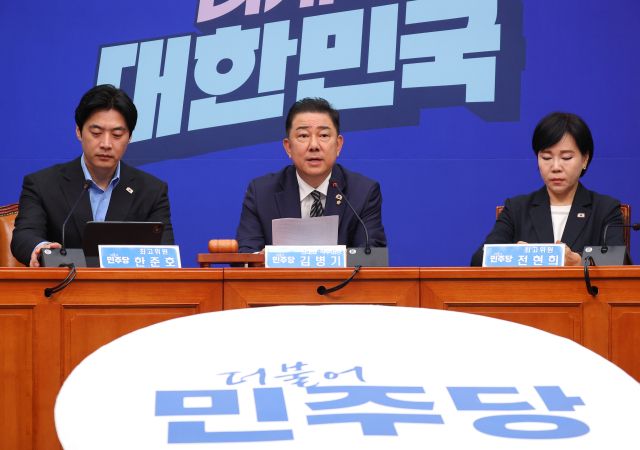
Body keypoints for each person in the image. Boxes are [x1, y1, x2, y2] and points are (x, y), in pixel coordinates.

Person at [11, 84, 174, 267]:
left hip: (125, 285)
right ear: (79, 132)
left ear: (129, 137)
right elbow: (24, 235)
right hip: (63, 283)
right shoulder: (42, 184)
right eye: (96, 133)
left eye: (117, 135)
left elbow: (164, 253)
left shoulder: (151, 191)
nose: (106, 144)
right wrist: (41, 248)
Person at [471, 112, 624, 267]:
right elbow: (479, 260)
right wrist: (515, 255)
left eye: (566, 158)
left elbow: (619, 260)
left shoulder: (605, 209)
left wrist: (579, 261)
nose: (556, 167)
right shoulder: (516, 209)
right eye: (546, 157)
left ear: (585, 159)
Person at [236, 97, 387, 252]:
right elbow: (246, 254)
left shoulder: (362, 193)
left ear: (338, 145)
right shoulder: (261, 193)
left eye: (323, 135)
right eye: (303, 136)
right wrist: (266, 258)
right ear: (288, 147)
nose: (314, 145)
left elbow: (371, 254)